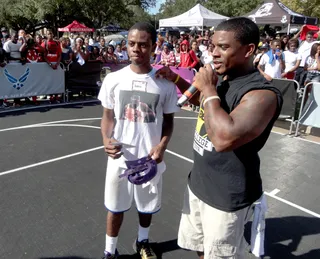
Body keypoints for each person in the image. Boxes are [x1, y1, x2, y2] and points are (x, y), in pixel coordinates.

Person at [155, 17, 283, 259]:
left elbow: (224, 138)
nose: (213, 53)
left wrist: (210, 89)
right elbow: (206, 105)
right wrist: (176, 79)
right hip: (200, 184)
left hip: (226, 196)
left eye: (223, 47)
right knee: (201, 249)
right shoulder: (225, 79)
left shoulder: (261, 94)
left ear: (248, 50)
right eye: (212, 46)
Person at [98, 22, 180, 259]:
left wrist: (162, 145)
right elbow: (106, 117)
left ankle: (142, 242)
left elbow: (168, 121)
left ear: (154, 46)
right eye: (132, 44)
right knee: (115, 207)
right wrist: (105, 138)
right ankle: (110, 250)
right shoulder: (113, 79)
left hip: (149, 158)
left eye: (143, 45)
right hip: (119, 158)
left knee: (146, 207)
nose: (136, 49)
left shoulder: (165, 83)